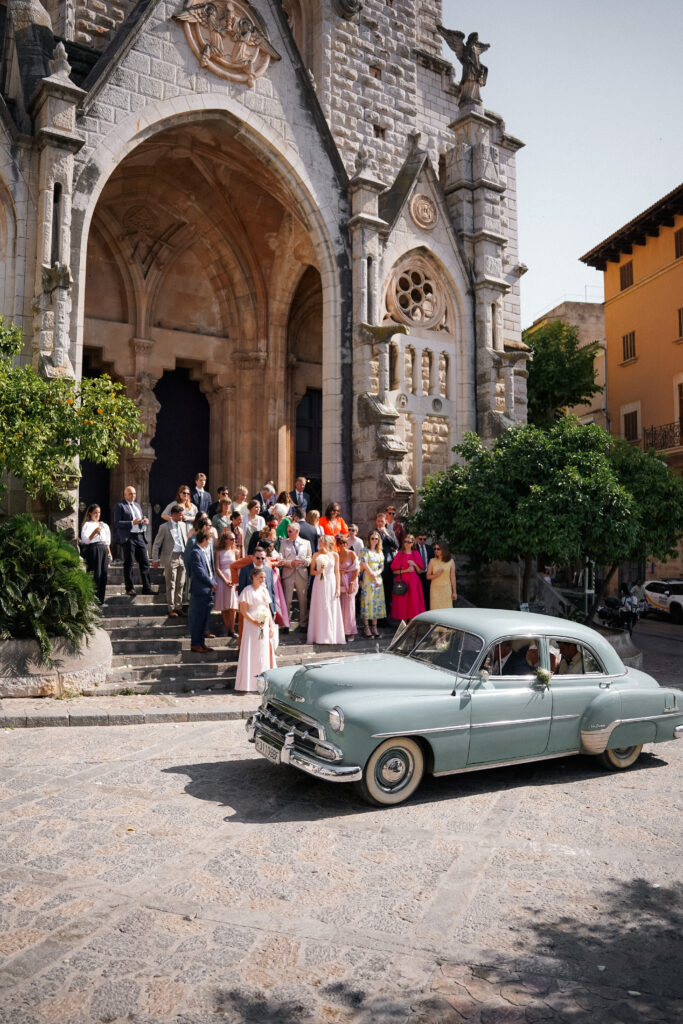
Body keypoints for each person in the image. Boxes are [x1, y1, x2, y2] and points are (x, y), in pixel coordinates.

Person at [234, 566, 276, 693]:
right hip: (252, 624)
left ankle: (263, 681)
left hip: (263, 623)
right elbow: (242, 610)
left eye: (264, 577)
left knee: (263, 651)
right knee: (252, 650)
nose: (263, 580)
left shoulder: (264, 590)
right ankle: (250, 682)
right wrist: (254, 621)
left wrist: (271, 624)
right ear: (253, 577)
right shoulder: (247, 591)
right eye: (260, 577)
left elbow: (267, 608)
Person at [113, 485, 153, 597]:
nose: (133, 496)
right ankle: (130, 588)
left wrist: (144, 521)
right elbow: (117, 523)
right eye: (130, 493)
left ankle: (147, 587)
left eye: (134, 493)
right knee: (129, 562)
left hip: (139, 536)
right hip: (128, 537)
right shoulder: (120, 506)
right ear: (125, 494)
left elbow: (139, 520)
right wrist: (131, 523)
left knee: (145, 562)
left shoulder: (137, 505)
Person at [151, 504, 189, 617]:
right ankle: (171, 608)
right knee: (171, 584)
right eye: (181, 515)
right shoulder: (164, 527)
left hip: (182, 556)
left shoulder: (183, 525)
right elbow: (156, 544)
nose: (183, 517)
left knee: (181, 583)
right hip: (170, 557)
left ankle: (179, 606)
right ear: (174, 515)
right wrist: (155, 559)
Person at [307, 534, 345, 645]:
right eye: (319, 543)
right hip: (319, 582)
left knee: (331, 607)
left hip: (331, 582)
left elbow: (337, 572)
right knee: (319, 607)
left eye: (321, 543)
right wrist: (319, 572)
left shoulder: (335, 555)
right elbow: (311, 572)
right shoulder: (315, 555)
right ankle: (319, 636)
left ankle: (331, 636)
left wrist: (338, 588)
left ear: (327, 543)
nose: (320, 545)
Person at [279, 520, 312, 630]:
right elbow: (281, 559)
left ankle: (303, 623)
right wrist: (290, 563)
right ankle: (286, 624)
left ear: (297, 531)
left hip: (302, 573)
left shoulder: (306, 543)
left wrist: (305, 562)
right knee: (287, 600)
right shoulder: (284, 543)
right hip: (288, 574)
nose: (288, 533)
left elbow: (310, 558)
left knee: (303, 600)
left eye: (290, 531)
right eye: (287, 531)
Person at [188, 526, 216, 652]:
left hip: (207, 589)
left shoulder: (203, 551)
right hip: (200, 590)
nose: (211, 542)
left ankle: (201, 643)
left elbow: (209, 569)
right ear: (204, 539)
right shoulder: (195, 552)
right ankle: (195, 643)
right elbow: (200, 572)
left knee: (204, 618)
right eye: (209, 539)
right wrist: (211, 583)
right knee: (199, 618)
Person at [80, 504, 112, 603]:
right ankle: (93, 599)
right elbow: (85, 540)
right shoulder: (87, 524)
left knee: (103, 574)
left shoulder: (104, 525)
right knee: (95, 574)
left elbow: (107, 541)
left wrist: (109, 553)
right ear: (90, 513)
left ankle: (101, 599)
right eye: (95, 513)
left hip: (103, 549)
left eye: (99, 513)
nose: (97, 515)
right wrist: (94, 532)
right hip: (94, 548)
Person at [391, 534, 426, 621]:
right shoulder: (400, 554)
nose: (407, 543)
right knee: (403, 604)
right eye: (405, 541)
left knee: (413, 604)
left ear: (413, 543)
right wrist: (406, 570)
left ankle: (412, 629)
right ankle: (403, 627)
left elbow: (420, 571)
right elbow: (394, 571)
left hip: (414, 582)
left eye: (409, 542)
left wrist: (414, 564)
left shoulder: (416, 553)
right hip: (402, 581)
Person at [360, 529, 386, 638]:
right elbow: (364, 564)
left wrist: (378, 573)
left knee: (376, 602)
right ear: (369, 539)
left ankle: (374, 627)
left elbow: (382, 565)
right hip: (368, 579)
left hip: (378, 579)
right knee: (368, 602)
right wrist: (373, 574)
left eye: (376, 538)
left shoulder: (380, 552)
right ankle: (366, 627)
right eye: (372, 538)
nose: (374, 540)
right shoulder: (364, 550)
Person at [214, 528, 238, 637]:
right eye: (231, 539)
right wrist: (225, 580)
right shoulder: (218, 552)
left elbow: (238, 567)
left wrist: (234, 580)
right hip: (222, 579)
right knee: (224, 606)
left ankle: (232, 630)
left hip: (233, 579)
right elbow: (217, 568)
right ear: (225, 540)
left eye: (234, 539)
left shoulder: (235, 552)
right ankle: (227, 628)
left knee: (233, 606)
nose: (234, 541)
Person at [374, 512, 398, 614]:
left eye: (382, 521)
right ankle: (378, 617)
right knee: (378, 590)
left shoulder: (390, 532)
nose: (380, 523)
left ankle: (387, 615)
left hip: (387, 564)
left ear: (385, 522)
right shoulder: (373, 532)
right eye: (378, 521)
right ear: (376, 522)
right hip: (376, 564)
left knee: (388, 590)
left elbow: (396, 545)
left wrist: (386, 534)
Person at [338, 535, 359, 641]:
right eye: (340, 543)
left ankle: (351, 632)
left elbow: (357, 570)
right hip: (339, 584)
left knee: (349, 608)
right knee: (340, 608)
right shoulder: (336, 555)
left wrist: (351, 583)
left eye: (343, 543)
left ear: (347, 544)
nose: (342, 545)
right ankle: (341, 631)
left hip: (349, 583)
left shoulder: (351, 553)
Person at [427, 541, 457, 610]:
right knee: (435, 610)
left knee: (447, 610)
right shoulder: (432, 561)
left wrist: (454, 592)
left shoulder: (451, 561)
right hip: (435, 590)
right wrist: (437, 574)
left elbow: (453, 577)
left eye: (438, 549)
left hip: (446, 589)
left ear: (444, 549)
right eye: (435, 549)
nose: (436, 551)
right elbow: (428, 576)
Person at [415, 534, 434, 606]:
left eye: (424, 539)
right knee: (418, 593)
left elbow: (432, 560)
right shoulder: (414, 548)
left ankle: (427, 609)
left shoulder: (429, 548)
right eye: (421, 539)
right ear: (417, 538)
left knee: (427, 592)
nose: (422, 541)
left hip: (427, 573)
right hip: (417, 574)